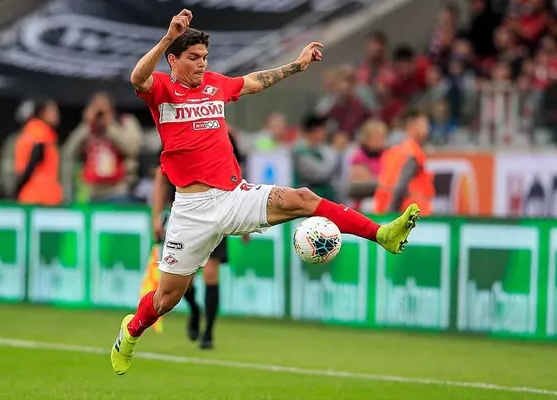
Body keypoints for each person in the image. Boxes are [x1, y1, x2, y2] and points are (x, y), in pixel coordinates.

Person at [111, 9, 420, 375]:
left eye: (205, 57)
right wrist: (167, 37)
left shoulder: (215, 84)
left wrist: (297, 65)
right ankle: (130, 333)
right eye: (193, 57)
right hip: (191, 210)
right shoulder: (162, 90)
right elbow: (137, 77)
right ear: (173, 60)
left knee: (303, 198)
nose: (201, 64)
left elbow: (254, 81)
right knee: (166, 299)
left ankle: (382, 234)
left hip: (233, 196)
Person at [154, 131, 248, 350]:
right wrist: (156, 217)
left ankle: (209, 332)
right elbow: (161, 178)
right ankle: (195, 310)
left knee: (211, 273)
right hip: (185, 216)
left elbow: (236, 174)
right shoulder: (177, 130)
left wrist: (245, 221)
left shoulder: (224, 135)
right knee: (185, 281)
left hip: (216, 212)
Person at [373, 109, 435, 216]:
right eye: (424, 124)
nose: (427, 129)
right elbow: (401, 186)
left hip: (385, 211)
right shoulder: (413, 152)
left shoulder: (394, 149)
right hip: (409, 214)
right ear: (412, 125)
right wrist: (391, 215)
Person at [13, 99, 62, 206]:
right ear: (42, 113)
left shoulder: (32, 131)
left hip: (36, 194)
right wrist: (19, 186)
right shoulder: (39, 130)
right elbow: (35, 158)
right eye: (52, 111)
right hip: (39, 195)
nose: (57, 115)